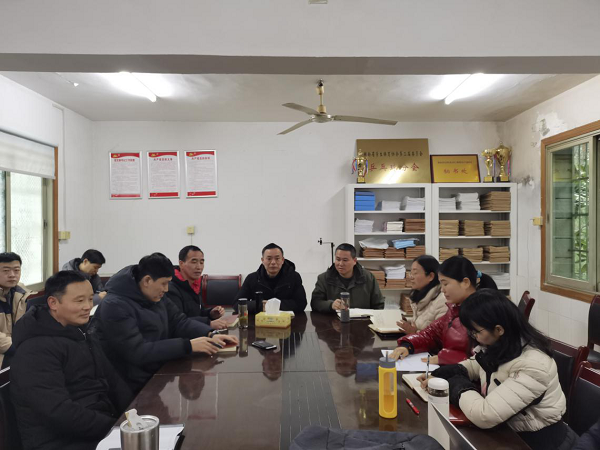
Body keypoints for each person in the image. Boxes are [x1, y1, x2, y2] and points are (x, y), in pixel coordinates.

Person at [418, 289, 578, 450]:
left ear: (499, 329)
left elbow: (485, 415)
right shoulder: (502, 345)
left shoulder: (534, 366)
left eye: (475, 331)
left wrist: (454, 384)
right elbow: (476, 365)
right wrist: (442, 375)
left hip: (538, 443)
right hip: (506, 435)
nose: (473, 336)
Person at [10, 271, 132, 450]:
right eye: (79, 301)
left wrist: (133, 413)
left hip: (94, 428)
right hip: (61, 441)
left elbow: (112, 379)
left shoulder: (80, 333)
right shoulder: (35, 350)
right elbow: (58, 411)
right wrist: (114, 428)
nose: (88, 306)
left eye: (90, 299)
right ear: (53, 303)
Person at [90, 253, 238, 392]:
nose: (166, 289)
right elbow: (137, 351)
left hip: (158, 370)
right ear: (147, 280)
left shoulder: (155, 295)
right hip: (129, 383)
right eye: (164, 283)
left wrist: (210, 334)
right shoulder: (115, 306)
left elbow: (179, 322)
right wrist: (188, 345)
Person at [390, 255, 497, 365]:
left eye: (445, 284)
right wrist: (408, 346)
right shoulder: (454, 310)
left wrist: (444, 358)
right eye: (441, 284)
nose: (442, 289)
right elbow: (430, 334)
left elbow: (485, 359)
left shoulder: (484, 314)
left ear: (465, 282)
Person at [234, 243, 307, 314]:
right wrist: (260, 305)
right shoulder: (252, 278)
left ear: (282, 260)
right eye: (269, 259)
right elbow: (237, 304)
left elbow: (301, 303)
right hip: (259, 320)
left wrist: (272, 305)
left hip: (287, 320)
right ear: (262, 260)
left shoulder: (294, 277)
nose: (273, 262)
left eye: (277, 258)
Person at [311, 243, 384, 313]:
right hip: (333, 320)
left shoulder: (368, 278)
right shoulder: (324, 278)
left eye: (345, 260)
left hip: (362, 320)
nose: (340, 264)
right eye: (338, 259)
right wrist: (331, 305)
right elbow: (315, 303)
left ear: (354, 261)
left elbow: (378, 305)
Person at [167, 245, 227, 329]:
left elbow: (198, 313)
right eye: (194, 262)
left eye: (201, 262)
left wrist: (210, 314)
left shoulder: (195, 284)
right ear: (181, 264)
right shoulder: (170, 288)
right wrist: (208, 323)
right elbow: (179, 321)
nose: (199, 267)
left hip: (197, 331)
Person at [396, 255, 447, 334]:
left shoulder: (443, 301)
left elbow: (440, 336)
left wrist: (414, 332)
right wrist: (407, 322)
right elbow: (422, 322)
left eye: (415, 273)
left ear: (430, 276)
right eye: (411, 273)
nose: (411, 277)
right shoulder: (420, 296)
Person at [0, 252, 33, 367]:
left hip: (17, 348)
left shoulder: (22, 294)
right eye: (6, 271)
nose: (12, 275)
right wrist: (17, 348)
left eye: (16, 270)